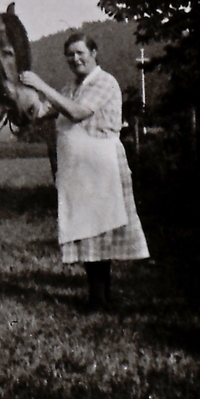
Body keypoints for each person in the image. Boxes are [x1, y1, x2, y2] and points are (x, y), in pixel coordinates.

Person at [20, 33, 149, 312]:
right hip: (78, 168)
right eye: (70, 55)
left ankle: (101, 298)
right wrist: (21, 98)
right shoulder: (69, 87)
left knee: (101, 229)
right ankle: (97, 297)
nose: (75, 59)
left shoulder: (104, 82)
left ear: (94, 53)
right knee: (87, 231)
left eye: (80, 53)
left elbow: (77, 113)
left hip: (101, 164)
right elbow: (43, 111)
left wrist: (41, 85)